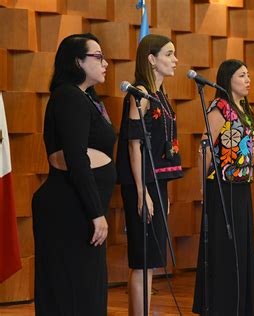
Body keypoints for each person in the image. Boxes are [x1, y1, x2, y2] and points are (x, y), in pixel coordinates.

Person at [32, 33, 114, 315]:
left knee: (87, 289)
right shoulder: (69, 96)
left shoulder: (86, 98)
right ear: (77, 61)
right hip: (70, 207)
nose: (105, 63)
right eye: (97, 56)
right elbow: (76, 158)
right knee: (74, 292)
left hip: (78, 206)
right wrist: (95, 211)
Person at [116, 34, 183, 315]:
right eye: (169, 54)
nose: (175, 59)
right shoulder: (139, 94)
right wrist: (143, 190)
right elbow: (134, 146)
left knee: (152, 258)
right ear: (151, 59)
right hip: (141, 183)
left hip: (157, 183)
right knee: (143, 259)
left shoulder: (160, 95)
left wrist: (159, 191)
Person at [193, 59, 254, 315]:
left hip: (242, 187)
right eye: (242, 75)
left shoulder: (244, 108)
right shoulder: (219, 107)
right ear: (228, 79)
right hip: (221, 188)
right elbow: (204, 150)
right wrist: (202, 189)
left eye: (248, 74)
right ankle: (221, 306)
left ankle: (240, 305)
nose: (248, 79)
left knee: (241, 249)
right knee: (224, 249)